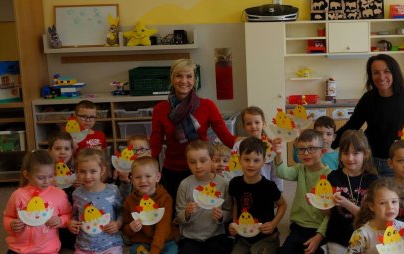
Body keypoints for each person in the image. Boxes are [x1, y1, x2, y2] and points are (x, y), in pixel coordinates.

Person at [150, 58, 237, 201]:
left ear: (194, 80)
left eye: (189, 76)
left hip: (202, 168)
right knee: (177, 211)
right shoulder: (160, 109)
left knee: (204, 208)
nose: (184, 81)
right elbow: (155, 145)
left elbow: (226, 137)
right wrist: (140, 163)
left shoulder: (207, 106)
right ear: (172, 79)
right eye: (178, 75)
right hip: (173, 171)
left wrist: (251, 142)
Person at [332, 54, 404, 176]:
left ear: (394, 73)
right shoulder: (368, 98)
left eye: (386, 71)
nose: (381, 77)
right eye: (376, 73)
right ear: (371, 76)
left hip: (396, 163)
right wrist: (328, 144)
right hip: (369, 162)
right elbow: (352, 125)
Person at [0, 150, 72, 254]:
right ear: (27, 175)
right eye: (41, 177)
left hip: (45, 252)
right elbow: (8, 216)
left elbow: (68, 214)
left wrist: (61, 220)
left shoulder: (58, 194)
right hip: (19, 250)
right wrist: (11, 224)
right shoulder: (18, 195)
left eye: (50, 176)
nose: (47, 181)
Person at [273, 129, 331, 254]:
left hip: (318, 229)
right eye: (301, 149)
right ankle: (297, 252)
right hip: (298, 227)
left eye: (311, 148)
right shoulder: (300, 169)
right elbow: (283, 173)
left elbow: (331, 214)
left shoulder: (330, 176)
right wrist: (278, 154)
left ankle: (311, 252)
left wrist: (319, 237)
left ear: (322, 151)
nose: (306, 153)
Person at [226, 137, 287, 254]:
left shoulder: (269, 186)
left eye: (256, 160)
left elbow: (283, 205)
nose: (251, 165)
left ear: (264, 161)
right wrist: (234, 223)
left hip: (266, 237)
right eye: (247, 159)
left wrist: (273, 223)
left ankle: (270, 252)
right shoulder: (234, 183)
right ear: (239, 160)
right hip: (244, 236)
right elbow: (236, 204)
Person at [63, 149, 126, 254]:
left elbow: (122, 211)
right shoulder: (77, 194)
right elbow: (74, 215)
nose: (87, 176)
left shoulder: (113, 190)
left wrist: (118, 223)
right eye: (82, 172)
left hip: (110, 245)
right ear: (76, 172)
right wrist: (71, 222)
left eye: (93, 171)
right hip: (85, 246)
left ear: (102, 170)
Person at [324, 130, 377, 254]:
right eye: (346, 153)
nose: (350, 158)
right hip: (338, 237)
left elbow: (371, 217)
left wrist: (347, 204)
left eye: (356, 153)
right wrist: (319, 204)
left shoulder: (373, 180)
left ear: (365, 154)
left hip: (365, 238)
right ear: (340, 155)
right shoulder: (333, 177)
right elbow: (327, 213)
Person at [175, 140, 232, 254]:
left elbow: (229, 211)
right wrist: (187, 213)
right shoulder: (185, 184)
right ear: (187, 163)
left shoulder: (223, 184)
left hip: (215, 235)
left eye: (203, 161)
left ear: (212, 160)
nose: (198, 166)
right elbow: (178, 214)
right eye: (192, 162)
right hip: (191, 237)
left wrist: (222, 216)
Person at [122, 157, 179, 254]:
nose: (143, 181)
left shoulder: (165, 199)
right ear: (132, 179)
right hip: (141, 242)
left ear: (157, 177)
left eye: (148, 176)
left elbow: (162, 229)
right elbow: (125, 230)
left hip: (165, 241)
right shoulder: (129, 201)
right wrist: (130, 228)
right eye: (138, 177)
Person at [235, 106, 282, 190]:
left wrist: (279, 190)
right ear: (244, 126)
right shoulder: (238, 146)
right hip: (244, 188)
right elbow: (234, 169)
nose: (253, 126)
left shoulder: (270, 147)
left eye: (257, 122)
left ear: (263, 124)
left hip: (265, 189)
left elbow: (275, 173)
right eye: (248, 123)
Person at [48, 130, 78, 250]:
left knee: (73, 242)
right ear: (50, 151)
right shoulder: (46, 172)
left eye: (66, 149)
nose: (62, 152)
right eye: (57, 148)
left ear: (72, 151)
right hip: (53, 214)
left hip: (71, 215)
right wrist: (47, 185)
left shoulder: (76, 171)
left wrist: (80, 185)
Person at [114, 134, 152, 200]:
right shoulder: (124, 171)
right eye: (133, 150)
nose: (137, 153)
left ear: (149, 153)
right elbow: (122, 199)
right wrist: (126, 183)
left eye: (142, 149)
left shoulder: (153, 170)